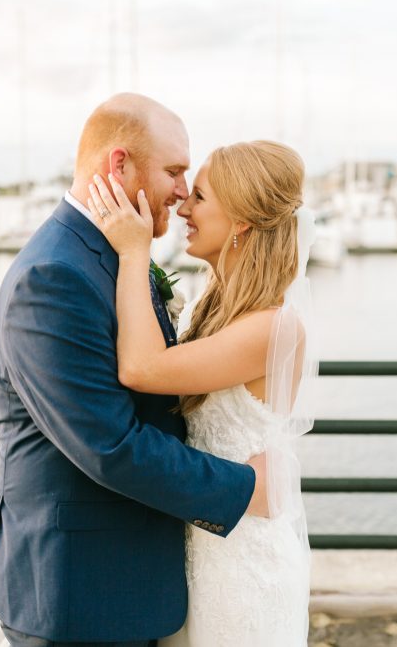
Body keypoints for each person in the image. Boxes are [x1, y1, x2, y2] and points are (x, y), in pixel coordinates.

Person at [0, 93, 272, 647]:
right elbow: (109, 446)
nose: (181, 192)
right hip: (78, 594)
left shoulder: (104, 253)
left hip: (123, 584)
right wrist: (244, 487)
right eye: (175, 171)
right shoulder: (55, 276)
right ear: (120, 164)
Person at [85, 139, 316, 646]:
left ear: (241, 221)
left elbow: (144, 368)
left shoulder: (274, 327)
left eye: (202, 198)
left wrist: (133, 250)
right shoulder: (208, 309)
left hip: (241, 559)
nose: (184, 206)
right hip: (197, 548)